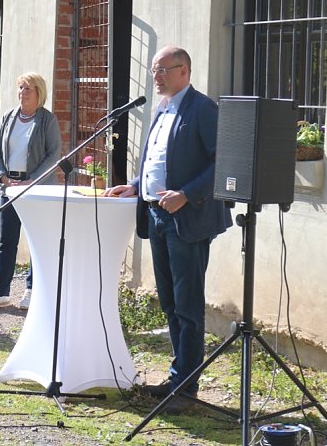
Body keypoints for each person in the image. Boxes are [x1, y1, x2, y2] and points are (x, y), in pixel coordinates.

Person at [104, 46, 232, 413]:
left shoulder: (202, 109)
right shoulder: (161, 110)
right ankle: (180, 377)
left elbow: (222, 161)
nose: (156, 76)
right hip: (156, 215)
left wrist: (187, 195)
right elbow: (157, 160)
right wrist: (133, 184)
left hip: (186, 219)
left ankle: (186, 388)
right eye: (153, 70)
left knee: (188, 305)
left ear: (184, 71)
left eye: (163, 70)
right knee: (171, 303)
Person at [0, 72, 62, 312]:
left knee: (36, 240)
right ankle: (0, 293)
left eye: (28, 89)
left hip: (36, 188)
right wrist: (2, 176)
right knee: (7, 241)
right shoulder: (8, 117)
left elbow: (53, 155)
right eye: (21, 88)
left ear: (39, 93)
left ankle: (32, 290)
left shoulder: (47, 120)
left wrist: (32, 180)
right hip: (10, 187)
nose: (22, 93)